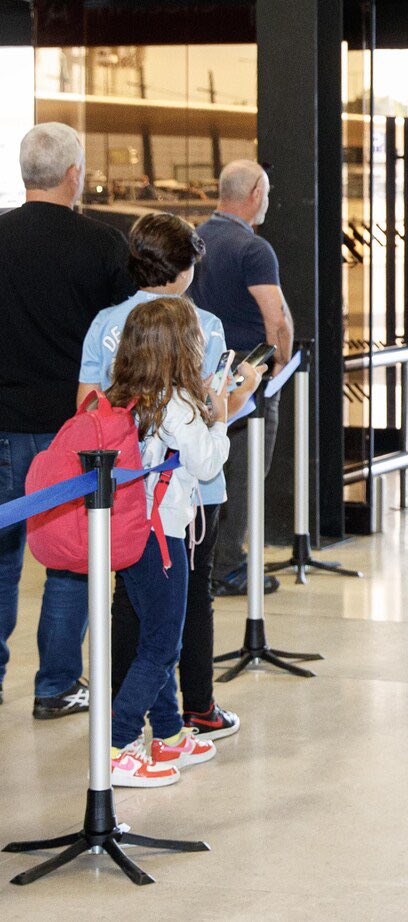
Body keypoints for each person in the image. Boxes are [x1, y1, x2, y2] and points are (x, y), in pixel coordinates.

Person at [78, 213, 263, 740]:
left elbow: (87, 406)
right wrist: (242, 392)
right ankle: (195, 707)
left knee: (129, 597)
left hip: (121, 489)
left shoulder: (106, 323)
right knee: (189, 598)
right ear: (184, 269)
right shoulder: (200, 324)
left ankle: (127, 704)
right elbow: (212, 412)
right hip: (186, 498)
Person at [0, 122, 134, 717]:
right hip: (74, 429)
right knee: (71, 559)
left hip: (2, 422)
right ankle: (55, 686)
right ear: (75, 175)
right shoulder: (104, 244)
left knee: (1, 557)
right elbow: (125, 334)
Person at [103, 297, 230, 787]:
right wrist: (218, 416)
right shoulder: (176, 402)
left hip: (131, 530)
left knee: (154, 635)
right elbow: (207, 463)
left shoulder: (124, 394)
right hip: (162, 536)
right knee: (161, 645)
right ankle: (117, 744)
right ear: (181, 347)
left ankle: (170, 732)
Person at [187, 159, 293, 596]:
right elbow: (275, 318)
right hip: (248, 379)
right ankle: (229, 565)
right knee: (247, 472)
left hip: (200, 376)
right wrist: (280, 362)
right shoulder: (254, 249)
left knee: (203, 468)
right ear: (255, 194)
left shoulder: (194, 238)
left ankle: (202, 559)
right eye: (266, 192)